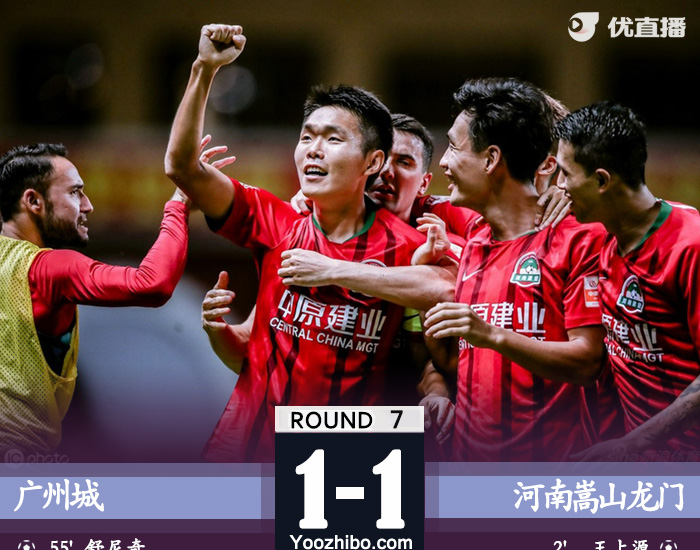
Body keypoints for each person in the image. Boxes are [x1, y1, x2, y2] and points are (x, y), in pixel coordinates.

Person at [165, 24, 452, 462]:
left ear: (372, 162)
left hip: (350, 460)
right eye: (306, 137)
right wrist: (204, 68)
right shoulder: (275, 220)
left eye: (333, 139)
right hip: (244, 449)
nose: (313, 150)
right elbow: (182, 167)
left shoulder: (408, 245)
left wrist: (332, 270)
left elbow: (445, 289)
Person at [421, 78, 609, 461]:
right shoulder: (474, 238)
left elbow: (588, 361)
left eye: (454, 147)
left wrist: (491, 333)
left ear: (491, 159)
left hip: (548, 479)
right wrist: (438, 390)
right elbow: (464, 361)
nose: (443, 162)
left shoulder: (579, 238)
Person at [0, 143, 190, 459]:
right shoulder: (50, 269)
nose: (88, 206)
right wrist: (179, 205)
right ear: (33, 201)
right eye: (75, 192)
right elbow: (153, 283)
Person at [555, 101, 700, 460]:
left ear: (602, 180)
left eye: (566, 174)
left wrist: (633, 443)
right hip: (639, 464)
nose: (559, 185)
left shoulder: (690, 246)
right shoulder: (604, 240)